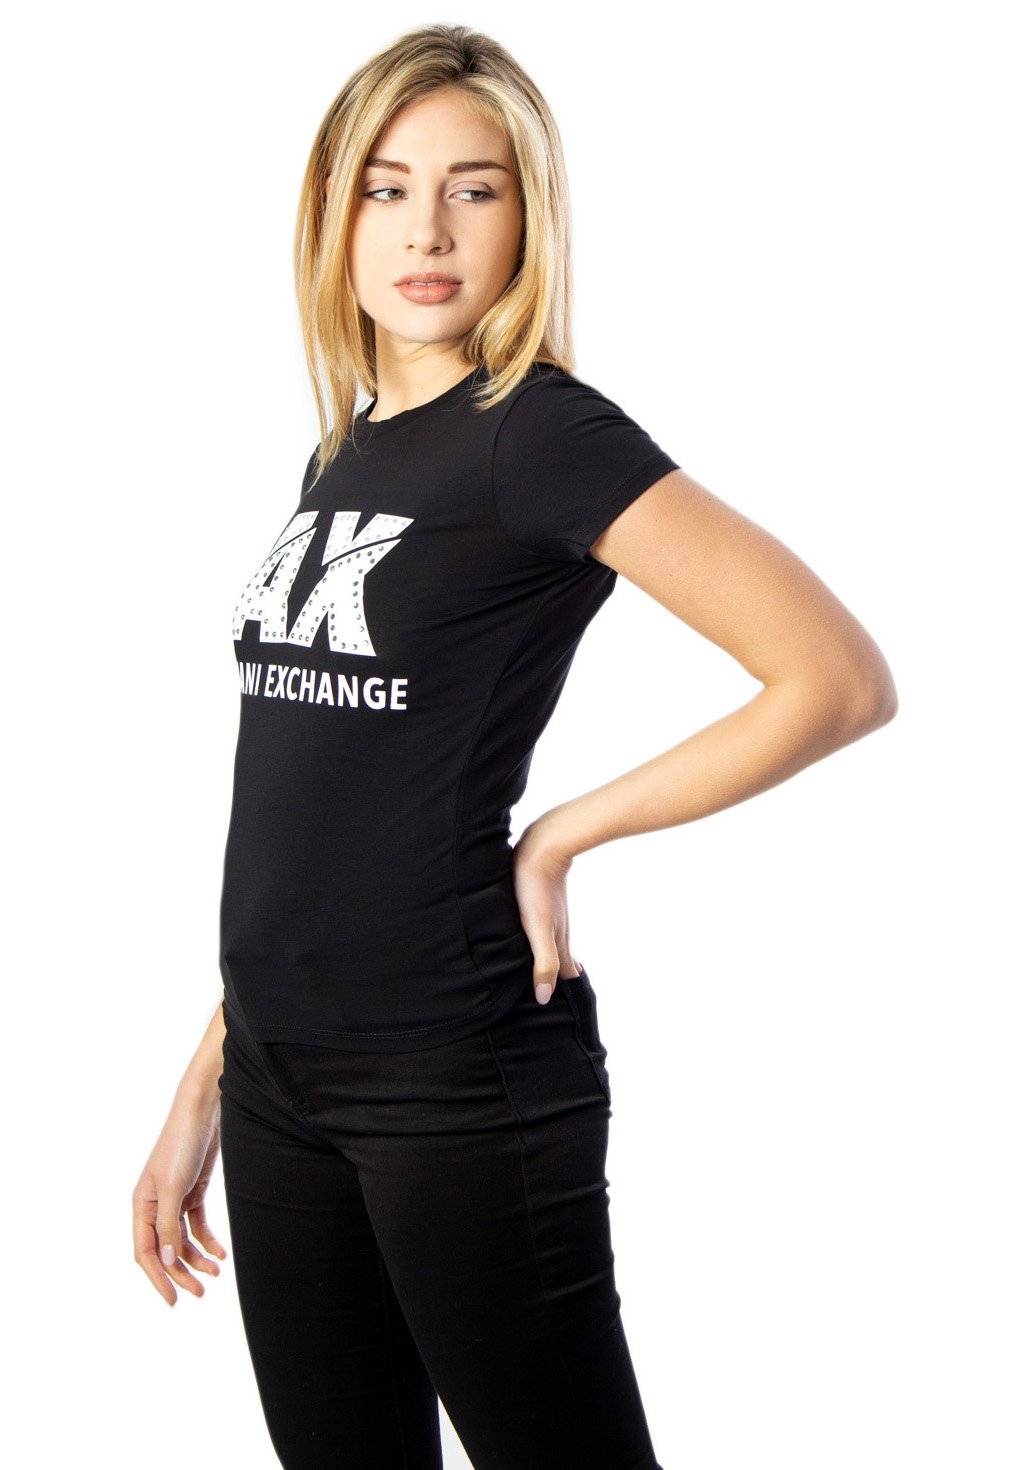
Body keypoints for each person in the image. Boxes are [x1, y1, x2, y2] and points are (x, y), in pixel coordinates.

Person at [132, 23, 897, 1470]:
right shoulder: (346, 449)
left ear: (526, 217)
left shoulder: (540, 434)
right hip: (280, 1079)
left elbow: (835, 678)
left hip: (455, 1069)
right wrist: (204, 1086)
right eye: (386, 187)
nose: (426, 229)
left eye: (473, 189)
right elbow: (319, 808)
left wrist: (560, 834)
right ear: (332, 213)